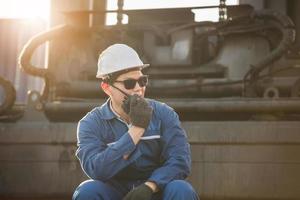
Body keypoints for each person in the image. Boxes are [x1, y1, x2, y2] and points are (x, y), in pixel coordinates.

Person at [72, 44, 199, 200]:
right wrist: (136, 130)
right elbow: (97, 169)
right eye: (129, 83)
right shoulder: (91, 123)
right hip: (115, 191)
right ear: (107, 87)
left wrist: (150, 186)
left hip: (155, 189)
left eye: (142, 81)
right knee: (86, 191)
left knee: (181, 189)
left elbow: (180, 161)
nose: (139, 88)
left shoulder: (164, 114)